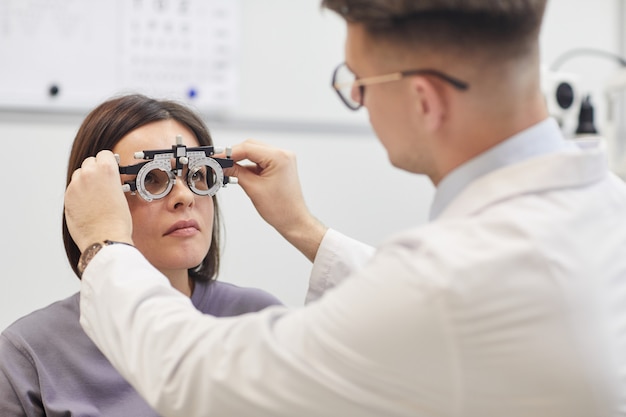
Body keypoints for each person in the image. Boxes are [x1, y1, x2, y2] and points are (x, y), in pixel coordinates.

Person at [65, 1, 626, 416]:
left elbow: (199, 378)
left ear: (424, 100)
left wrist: (104, 246)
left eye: (357, 83)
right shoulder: (606, 203)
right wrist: (304, 228)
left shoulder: (447, 283)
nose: (357, 100)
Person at [0, 94, 282, 416]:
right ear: (92, 199)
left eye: (198, 175)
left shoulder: (258, 318)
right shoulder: (29, 353)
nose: (184, 197)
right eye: (151, 179)